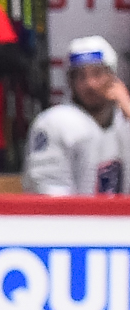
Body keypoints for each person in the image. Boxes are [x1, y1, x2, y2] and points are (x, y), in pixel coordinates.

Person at [24, 36, 130, 193]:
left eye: (97, 73)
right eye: (81, 76)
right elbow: (49, 195)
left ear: (113, 77)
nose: (90, 83)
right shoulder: (55, 123)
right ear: (70, 82)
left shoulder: (124, 122)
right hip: (78, 217)